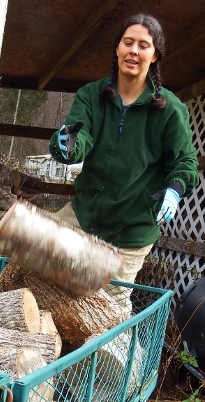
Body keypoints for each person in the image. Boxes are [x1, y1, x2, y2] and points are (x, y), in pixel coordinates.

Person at [48, 13, 199, 308]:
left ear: (155, 55)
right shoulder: (91, 96)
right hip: (83, 216)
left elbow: (186, 161)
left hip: (130, 233)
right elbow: (80, 137)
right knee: (37, 271)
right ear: (117, 48)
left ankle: (113, 351)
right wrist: (66, 144)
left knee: (106, 313)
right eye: (127, 42)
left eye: (144, 45)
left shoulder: (169, 110)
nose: (134, 51)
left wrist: (176, 189)